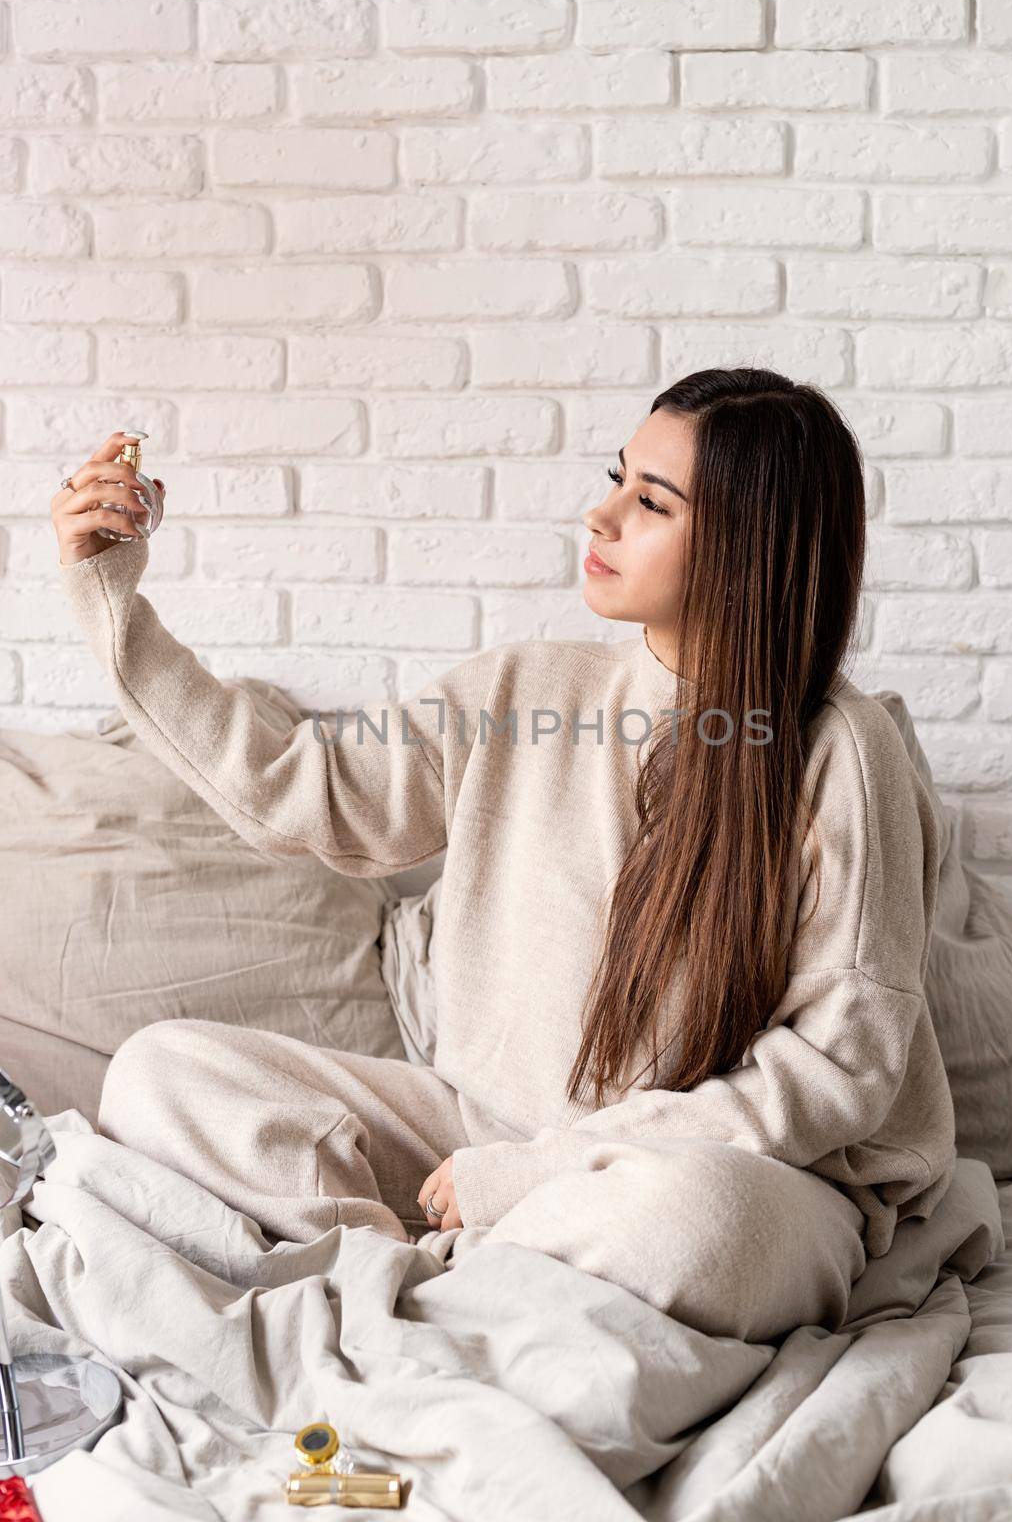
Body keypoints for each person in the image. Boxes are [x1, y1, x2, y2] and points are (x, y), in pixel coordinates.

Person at [50, 368, 957, 1343]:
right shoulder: (522, 691)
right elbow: (296, 787)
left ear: (748, 543)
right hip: (476, 1139)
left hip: (717, 1175)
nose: (600, 516)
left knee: (701, 1229)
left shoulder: (842, 748)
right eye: (616, 479)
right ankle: (418, 1283)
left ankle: (435, 1287)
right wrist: (113, 601)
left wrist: (543, 1173)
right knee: (158, 1073)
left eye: (649, 502)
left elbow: (838, 1069)